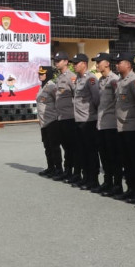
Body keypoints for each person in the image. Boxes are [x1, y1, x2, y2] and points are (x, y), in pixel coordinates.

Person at [113, 51, 135, 204]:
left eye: (119, 62)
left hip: (133, 127)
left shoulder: (134, 81)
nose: (117, 65)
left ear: (128, 64)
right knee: (126, 161)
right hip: (122, 127)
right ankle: (131, 188)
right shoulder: (120, 81)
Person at [93, 52, 123, 197]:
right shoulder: (101, 81)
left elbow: (119, 102)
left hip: (111, 124)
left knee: (113, 156)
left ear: (107, 63)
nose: (97, 64)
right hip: (101, 123)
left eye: (99, 62)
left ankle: (117, 184)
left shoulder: (114, 80)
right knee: (104, 156)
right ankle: (107, 181)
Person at [71, 53, 100, 190]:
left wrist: (92, 115)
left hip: (89, 120)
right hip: (79, 120)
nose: (74, 65)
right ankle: (86, 177)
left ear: (84, 64)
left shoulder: (91, 79)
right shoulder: (78, 79)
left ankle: (93, 179)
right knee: (81, 151)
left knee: (91, 151)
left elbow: (96, 100)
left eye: (76, 63)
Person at [52, 51, 77, 182]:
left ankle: (71, 171)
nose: (56, 62)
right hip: (61, 117)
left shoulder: (71, 77)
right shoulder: (59, 77)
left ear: (66, 61)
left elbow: (76, 96)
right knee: (65, 146)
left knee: (71, 146)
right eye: (56, 60)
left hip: (69, 117)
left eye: (59, 60)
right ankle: (67, 170)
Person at [35, 66, 62, 178]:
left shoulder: (51, 86)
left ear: (49, 74)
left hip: (52, 121)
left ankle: (59, 169)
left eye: (42, 73)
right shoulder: (42, 87)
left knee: (54, 146)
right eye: (39, 73)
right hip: (44, 122)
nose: (40, 75)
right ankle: (51, 168)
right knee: (47, 146)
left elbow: (58, 101)